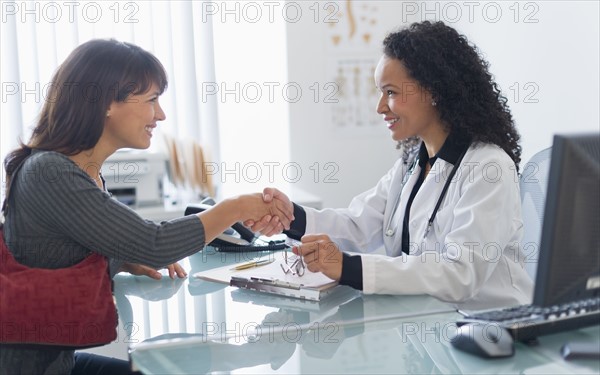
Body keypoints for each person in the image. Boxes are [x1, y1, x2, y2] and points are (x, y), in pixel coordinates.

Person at [0, 39, 292, 375]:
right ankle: (249, 356)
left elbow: (58, 256)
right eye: (152, 99)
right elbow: (154, 244)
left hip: (59, 365)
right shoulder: (51, 172)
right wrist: (236, 207)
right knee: (164, 364)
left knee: (164, 362)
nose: (161, 114)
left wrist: (122, 259)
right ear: (106, 102)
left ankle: (247, 355)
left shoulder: (84, 172)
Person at [249, 21, 533, 311]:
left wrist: (347, 267)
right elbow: (359, 224)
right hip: (430, 327)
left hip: (497, 333)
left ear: (434, 91)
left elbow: (459, 274)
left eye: (391, 92)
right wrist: (290, 217)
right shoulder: (412, 163)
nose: (380, 107)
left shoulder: (488, 168)